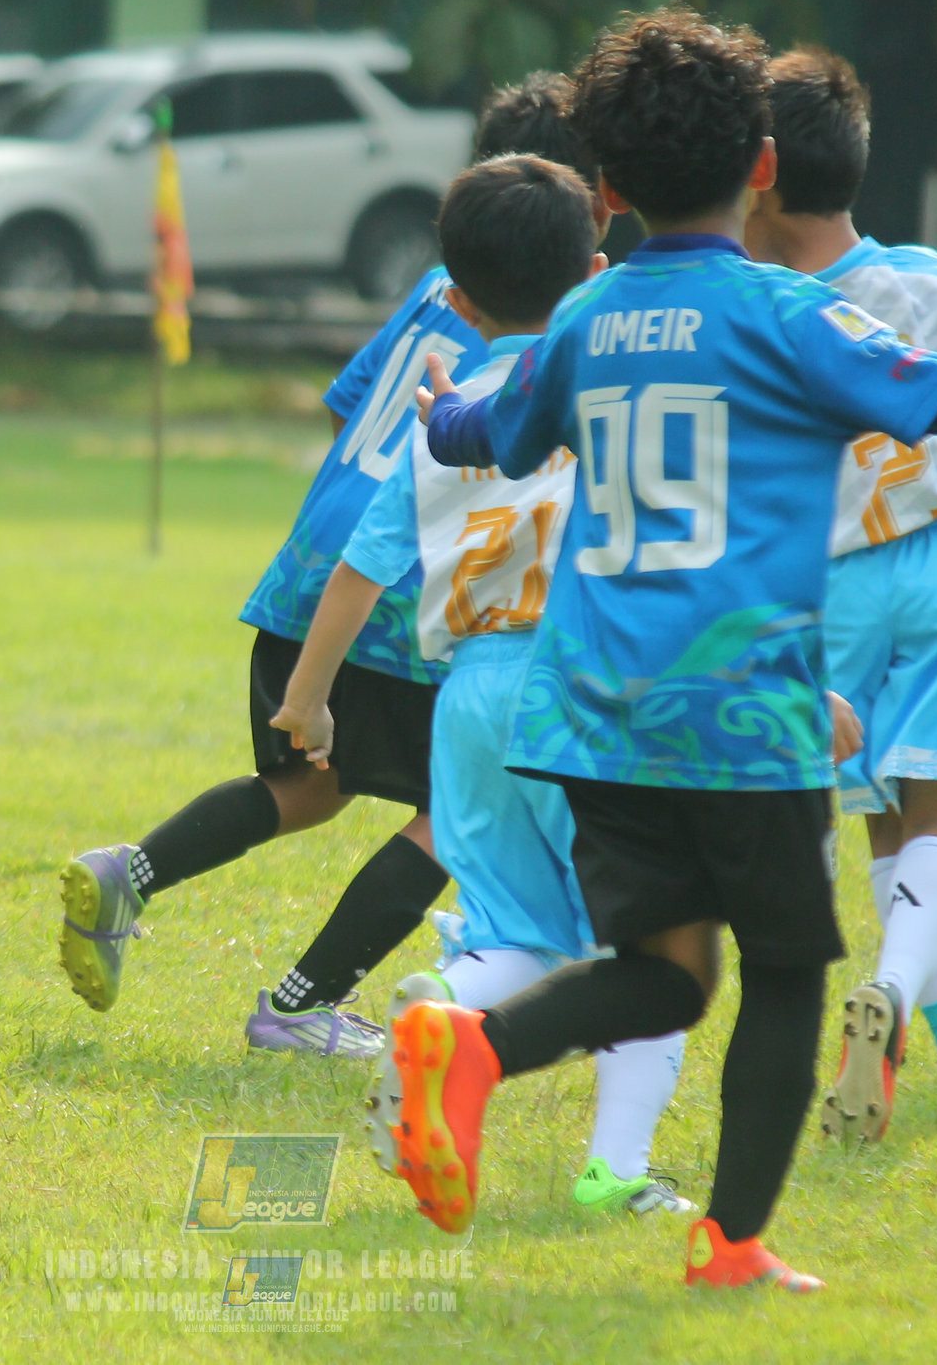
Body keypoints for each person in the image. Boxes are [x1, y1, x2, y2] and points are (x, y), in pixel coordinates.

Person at [388, 5, 937, 1292]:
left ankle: (468, 1051)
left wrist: (445, 408)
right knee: (788, 969)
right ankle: (731, 1242)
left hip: (591, 712)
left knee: (667, 971)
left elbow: (492, 428)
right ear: (761, 165)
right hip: (738, 708)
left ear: (610, 190)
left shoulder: (584, 319)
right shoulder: (785, 317)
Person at [55, 75, 589, 1059]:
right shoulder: (570, 334)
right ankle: (301, 1004)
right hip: (405, 580)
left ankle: (129, 867)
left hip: (315, 560)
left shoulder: (439, 286)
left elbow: (350, 408)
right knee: (452, 811)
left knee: (314, 781)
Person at [273, 151, 695, 1217]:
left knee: (516, 929)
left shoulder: (440, 416)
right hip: (583, 685)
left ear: (452, 299)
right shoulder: (612, 389)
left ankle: (446, 1012)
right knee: (652, 940)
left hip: (471, 694)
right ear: (596, 271)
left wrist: (305, 700)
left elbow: (358, 573)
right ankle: (615, 1171)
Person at [743, 47, 937, 1141]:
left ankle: (921, 1023)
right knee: (936, 806)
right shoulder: (934, 280)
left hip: (827, 589)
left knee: (870, 808)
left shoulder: (761, 311)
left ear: (757, 176)